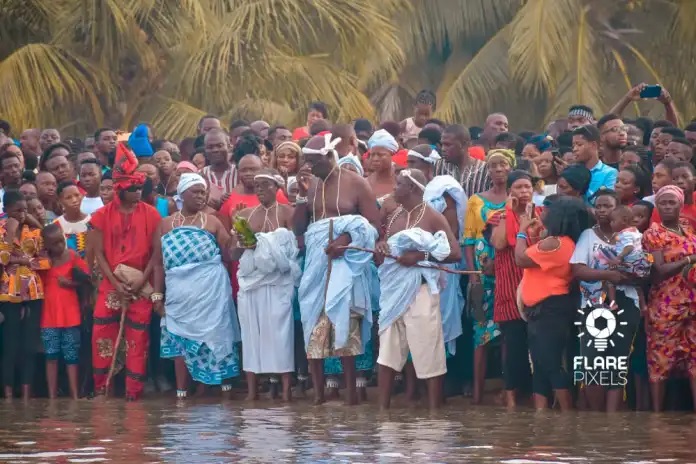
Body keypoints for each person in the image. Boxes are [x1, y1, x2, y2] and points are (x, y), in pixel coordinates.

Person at [294, 134, 380, 406]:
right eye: (306, 161)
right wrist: (299, 196)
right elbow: (301, 229)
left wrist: (344, 242)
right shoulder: (313, 185)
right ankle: (319, 396)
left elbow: (373, 226)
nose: (309, 166)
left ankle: (352, 394)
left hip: (347, 265)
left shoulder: (356, 183)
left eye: (314, 161)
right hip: (317, 266)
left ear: (329, 156)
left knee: (346, 324)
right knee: (314, 324)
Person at [375, 169, 461, 409]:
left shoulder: (433, 216)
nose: (394, 188)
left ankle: (434, 412)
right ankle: (383, 412)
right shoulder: (393, 216)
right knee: (388, 352)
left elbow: (454, 253)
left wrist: (420, 256)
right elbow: (384, 252)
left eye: (399, 184)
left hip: (421, 292)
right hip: (393, 292)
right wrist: (381, 248)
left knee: (428, 350)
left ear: (412, 188)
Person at [153, 173, 240, 399]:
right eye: (196, 192)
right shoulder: (165, 224)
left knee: (215, 337)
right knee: (180, 339)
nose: (201, 196)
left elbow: (229, 255)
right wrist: (156, 296)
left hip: (211, 292)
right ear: (182, 194)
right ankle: (182, 391)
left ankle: (221, 391)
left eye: (204, 192)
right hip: (178, 295)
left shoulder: (212, 221)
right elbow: (158, 263)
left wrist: (238, 230)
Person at [90, 143, 162, 401]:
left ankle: (134, 392)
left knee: (138, 338)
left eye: (140, 188)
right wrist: (115, 283)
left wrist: (142, 279)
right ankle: (103, 387)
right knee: (102, 336)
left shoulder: (152, 214)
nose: (137, 193)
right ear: (121, 189)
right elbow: (98, 254)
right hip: (111, 283)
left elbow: (156, 253)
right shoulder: (100, 216)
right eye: (132, 189)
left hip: (141, 283)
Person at [516, 196, 590, 410]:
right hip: (547, 309)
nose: (543, 213)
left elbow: (520, 258)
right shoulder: (564, 242)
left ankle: (566, 415)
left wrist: (521, 230)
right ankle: (545, 418)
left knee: (549, 365)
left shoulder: (557, 243)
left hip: (548, 310)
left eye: (549, 210)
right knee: (541, 365)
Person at [570, 189, 640, 412]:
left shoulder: (633, 236)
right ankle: (597, 421)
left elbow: (644, 269)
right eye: (598, 206)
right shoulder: (587, 236)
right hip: (593, 305)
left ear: (617, 208)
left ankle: (611, 421)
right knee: (592, 362)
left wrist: (630, 274)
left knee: (617, 361)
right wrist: (607, 275)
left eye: (607, 206)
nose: (601, 210)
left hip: (626, 302)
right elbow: (578, 270)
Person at [233, 169, 300, 401]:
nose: (259, 189)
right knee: (252, 335)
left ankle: (285, 392)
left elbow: (295, 249)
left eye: (264, 184)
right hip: (252, 283)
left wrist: (268, 249)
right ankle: (252, 393)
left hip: (279, 282)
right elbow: (234, 253)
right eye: (256, 185)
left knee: (281, 335)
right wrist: (244, 243)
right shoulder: (247, 215)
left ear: (277, 187)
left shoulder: (288, 213)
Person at [463, 148, 513, 404]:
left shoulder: (517, 198)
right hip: (482, 272)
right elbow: (469, 240)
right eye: (493, 166)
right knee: (480, 333)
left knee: (508, 333)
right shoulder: (476, 200)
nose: (498, 169)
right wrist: (473, 275)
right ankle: (478, 395)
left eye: (503, 164)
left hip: (510, 269)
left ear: (510, 167)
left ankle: (508, 391)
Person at [489, 170, 543, 407]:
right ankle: (510, 395)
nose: (524, 192)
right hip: (509, 288)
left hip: (535, 287)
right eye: (519, 187)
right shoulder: (499, 215)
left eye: (527, 187)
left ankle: (535, 394)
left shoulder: (541, 214)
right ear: (510, 191)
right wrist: (510, 213)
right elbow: (500, 243)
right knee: (513, 345)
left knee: (537, 345)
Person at [642, 185, 696, 412]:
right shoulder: (652, 234)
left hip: (692, 302)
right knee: (660, 359)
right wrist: (689, 259)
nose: (666, 206)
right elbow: (657, 271)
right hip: (665, 305)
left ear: (680, 205)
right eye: (662, 202)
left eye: (671, 202)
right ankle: (657, 417)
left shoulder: (688, 230)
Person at [0, 190, 51, 400]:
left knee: (29, 345)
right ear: (5, 211)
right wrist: (10, 234)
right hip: (8, 293)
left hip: (33, 292)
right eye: (17, 210)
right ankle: (9, 395)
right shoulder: (2, 231)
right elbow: (2, 260)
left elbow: (46, 261)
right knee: (10, 345)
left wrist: (20, 261)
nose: (21, 214)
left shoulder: (35, 233)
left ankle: (28, 395)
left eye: (24, 210)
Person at [40, 224, 90, 400]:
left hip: (71, 314)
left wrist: (71, 284)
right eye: (54, 244)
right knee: (51, 356)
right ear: (46, 245)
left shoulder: (73, 256)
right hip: (48, 316)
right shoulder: (43, 261)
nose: (60, 246)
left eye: (61, 241)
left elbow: (87, 279)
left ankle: (75, 395)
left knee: (71, 356)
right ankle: (52, 396)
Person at [597, 206, 650, 312]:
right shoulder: (636, 232)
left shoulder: (625, 234)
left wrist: (619, 257)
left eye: (613, 221)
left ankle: (613, 303)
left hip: (630, 263)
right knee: (636, 285)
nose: (611, 223)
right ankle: (643, 305)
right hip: (640, 264)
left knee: (609, 280)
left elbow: (629, 247)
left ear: (624, 221)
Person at [435, 124, 491, 197]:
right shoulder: (439, 166)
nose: (443, 149)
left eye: (448, 145)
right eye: (442, 144)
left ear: (464, 144)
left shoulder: (485, 170)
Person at [572, 125, 618, 202]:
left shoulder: (610, 173)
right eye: (573, 146)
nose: (575, 149)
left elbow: (605, 203)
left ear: (594, 145)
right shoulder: (572, 172)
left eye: (579, 145)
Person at [54, 181, 91, 260]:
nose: (74, 200)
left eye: (77, 195)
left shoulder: (92, 221)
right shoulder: (56, 225)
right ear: (60, 201)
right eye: (68, 198)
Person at [201, 129, 236, 208]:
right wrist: (206, 201)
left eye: (220, 145)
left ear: (229, 146)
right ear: (205, 150)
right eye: (210, 147)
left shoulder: (239, 172)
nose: (215, 150)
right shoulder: (200, 175)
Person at [366, 129, 398, 204]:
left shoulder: (401, 181)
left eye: (381, 155)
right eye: (372, 155)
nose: (375, 159)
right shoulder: (365, 183)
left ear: (391, 155)